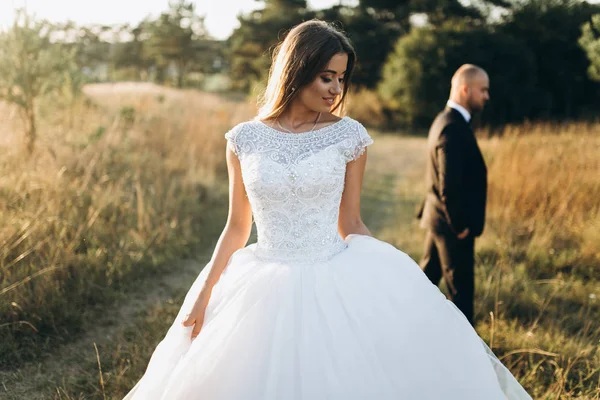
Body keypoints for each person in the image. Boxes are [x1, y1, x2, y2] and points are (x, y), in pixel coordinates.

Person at [124, 21, 530, 400]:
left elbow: (350, 222)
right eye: (326, 77)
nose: (336, 88)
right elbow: (235, 227)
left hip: (331, 271)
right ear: (297, 70)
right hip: (261, 281)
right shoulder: (244, 139)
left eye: (341, 78)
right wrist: (203, 294)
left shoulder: (349, 135)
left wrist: (396, 282)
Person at [417, 64, 489, 326]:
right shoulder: (453, 127)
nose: (487, 96)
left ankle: (407, 327)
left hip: (437, 219)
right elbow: (449, 184)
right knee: (461, 297)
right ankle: (465, 356)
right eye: (483, 90)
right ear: (465, 89)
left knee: (424, 282)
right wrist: (459, 225)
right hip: (451, 225)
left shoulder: (443, 119)